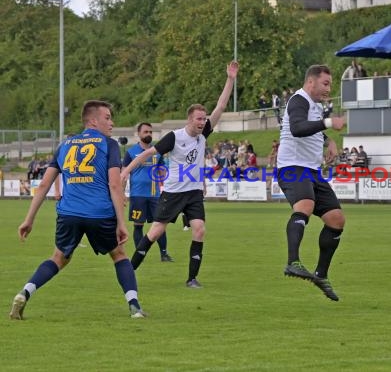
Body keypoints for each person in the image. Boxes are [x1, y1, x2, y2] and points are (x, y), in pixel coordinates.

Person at [10, 100, 145, 320]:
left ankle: (25, 292)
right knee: (119, 255)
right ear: (93, 120)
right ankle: (134, 306)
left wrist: (29, 219)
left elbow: (44, 184)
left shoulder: (65, 144)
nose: (112, 123)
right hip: (99, 213)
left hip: (69, 213)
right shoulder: (108, 144)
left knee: (58, 257)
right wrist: (121, 223)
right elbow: (114, 184)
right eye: (107, 118)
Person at [120, 60, 239, 288]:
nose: (203, 122)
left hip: (193, 192)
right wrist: (126, 170)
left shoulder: (203, 134)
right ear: (189, 119)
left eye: (204, 119)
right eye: (199, 119)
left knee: (199, 229)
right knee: (154, 232)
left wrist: (230, 79)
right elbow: (148, 154)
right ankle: (129, 271)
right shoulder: (175, 137)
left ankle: (192, 278)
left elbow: (221, 107)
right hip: (174, 192)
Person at [277, 64, 345, 301]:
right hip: (292, 167)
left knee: (336, 220)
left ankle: (321, 274)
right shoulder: (299, 99)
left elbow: (311, 127)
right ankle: (292, 262)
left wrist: (329, 142)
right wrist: (328, 123)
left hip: (311, 170)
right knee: (304, 205)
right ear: (311, 82)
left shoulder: (313, 106)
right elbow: (297, 128)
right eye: (325, 84)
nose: (328, 89)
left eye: (330, 85)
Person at [123, 122, 173, 262]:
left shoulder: (157, 152)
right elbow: (124, 174)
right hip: (137, 195)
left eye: (150, 132)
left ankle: (164, 253)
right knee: (138, 225)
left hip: (155, 195)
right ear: (138, 134)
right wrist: (121, 194)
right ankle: (140, 253)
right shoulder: (131, 152)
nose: (149, 134)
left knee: (160, 224)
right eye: (146, 132)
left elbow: (162, 170)